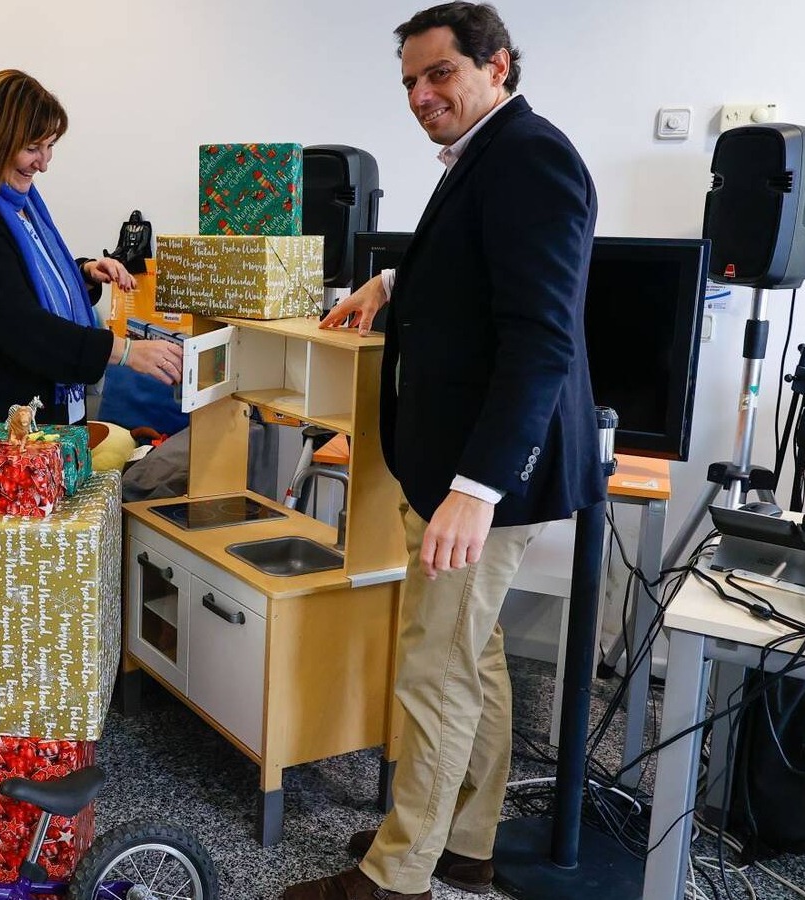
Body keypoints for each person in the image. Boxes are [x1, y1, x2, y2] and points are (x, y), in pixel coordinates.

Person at [286, 5, 603, 899]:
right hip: (467, 466)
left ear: (494, 64)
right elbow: (475, 268)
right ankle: (465, 839)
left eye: (439, 76)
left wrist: (475, 488)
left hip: (485, 474)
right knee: (475, 658)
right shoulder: (489, 152)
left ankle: (398, 874)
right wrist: (386, 282)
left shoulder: (529, 155)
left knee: (435, 669)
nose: (421, 97)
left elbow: (540, 336)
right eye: (410, 84)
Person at [0, 68, 182, 428]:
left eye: (50, 145)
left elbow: (17, 279)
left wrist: (81, 273)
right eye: (32, 148)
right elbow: (24, 327)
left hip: (17, 414)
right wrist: (126, 351)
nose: (44, 162)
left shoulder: (11, 201)